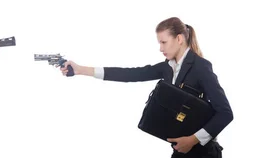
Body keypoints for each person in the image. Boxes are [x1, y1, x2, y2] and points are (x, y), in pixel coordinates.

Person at [61, 17, 233, 158]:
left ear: (179, 39)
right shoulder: (168, 67)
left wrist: (193, 140)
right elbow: (130, 74)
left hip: (203, 153)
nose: (160, 48)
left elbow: (225, 113)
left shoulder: (200, 67)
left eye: (164, 42)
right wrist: (81, 70)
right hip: (181, 150)